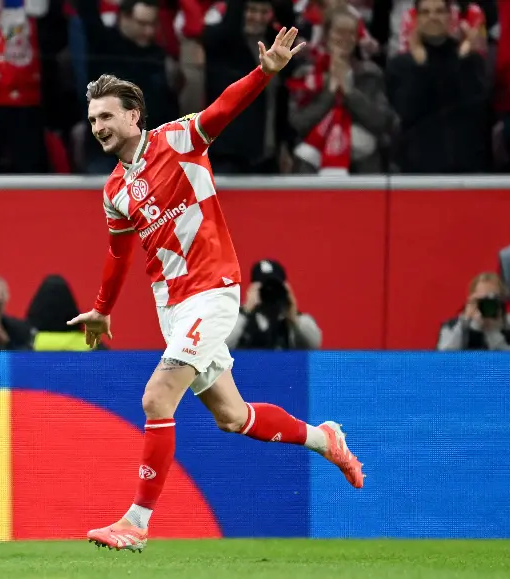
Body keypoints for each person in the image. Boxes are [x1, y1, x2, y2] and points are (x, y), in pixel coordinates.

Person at [67, 26, 364, 554]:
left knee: (157, 396)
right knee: (233, 416)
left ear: (134, 116)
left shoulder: (178, 139)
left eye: (106, 116)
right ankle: (326, 439)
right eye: (92, 120)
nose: (98, 127)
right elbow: (119, 254)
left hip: (212, 291)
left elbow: (223, 109)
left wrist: (264, 73)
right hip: (172, 307)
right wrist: (101, 309)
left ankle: (136, 522)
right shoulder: (114, 190)